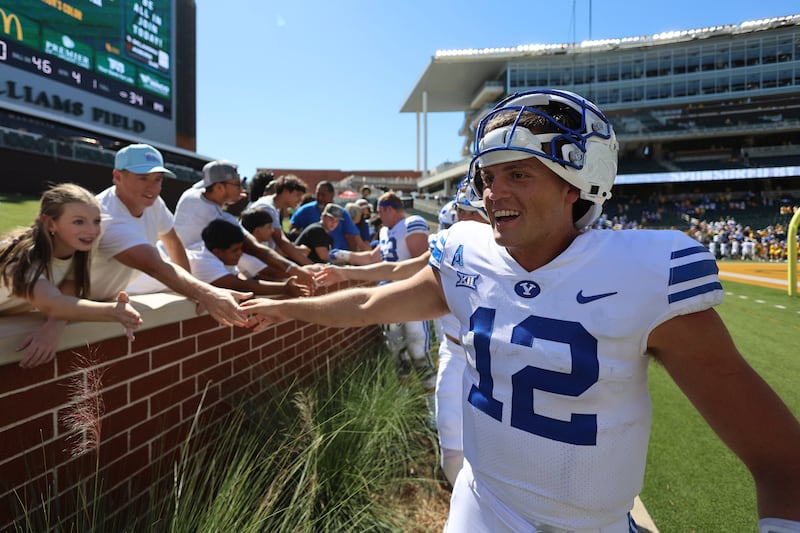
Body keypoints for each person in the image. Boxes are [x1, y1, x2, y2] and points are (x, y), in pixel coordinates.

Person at [240, 89, 800, 532]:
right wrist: (286, 311)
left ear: (578, 186)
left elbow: (780, 458)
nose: (492, 193)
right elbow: (366, 303)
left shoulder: (645, 275)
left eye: (518, 173)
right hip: (483, 509)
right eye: (487, 176)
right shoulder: (466, 254)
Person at [90, 144, 251, 327]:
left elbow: (173, 243)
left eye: (158, 179)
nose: (152, 187)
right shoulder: (106, 216)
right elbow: (154, 266)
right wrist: (205, 293)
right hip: (82, 301)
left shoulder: (153, 202)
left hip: (110, 295)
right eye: (143, 178)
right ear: (118, 177)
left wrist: (191, 292)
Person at [0, 183, 142, 368]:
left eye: (96, 221)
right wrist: (113, 311)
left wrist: (54, 326)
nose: (92, 231)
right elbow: (54, 303)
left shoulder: (74, 251)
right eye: (78, 222)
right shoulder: (22, 259)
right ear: (51, 223)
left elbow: (68, 293)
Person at [329, 191, 434, 385]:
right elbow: (371, 258)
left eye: (380, 211)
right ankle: (406, 398)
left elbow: (421, 265)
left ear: (389, 209)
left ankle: (432, 407)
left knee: (417, 348)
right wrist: (344, 256)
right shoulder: (386, 231)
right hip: (390, 295)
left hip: (411, 295)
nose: (378, 216)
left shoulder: (412, 223)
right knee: (396, 349)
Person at [171, 160, 315, 285]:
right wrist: (293, 269)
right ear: (219, 187)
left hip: (181, 268)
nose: (242, 189)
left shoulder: (189, 195)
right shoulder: (222, 219)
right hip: (200, 274)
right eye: (237, 185)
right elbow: (258, 249)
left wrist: (226, 197)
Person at [190, 219, 309, 298]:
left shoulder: (219, 254)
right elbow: (240, 285)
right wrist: (284, 288)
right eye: (235, 250)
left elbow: (239, 278)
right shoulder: (203, 262)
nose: (240, 254)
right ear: (217, 252)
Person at [248, 174, 312, 262]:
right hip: (253, 259)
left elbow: (277, 245)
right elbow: (281, 242)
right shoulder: (267, 207)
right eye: (297, 195)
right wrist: (309, 264)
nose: (300, 199)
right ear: (285, 191)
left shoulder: (273, 207)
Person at [290, 181, 368, 251]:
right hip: (314, 257)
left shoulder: (342, 213)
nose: (320, 197)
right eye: (318, 194)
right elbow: (293, 229)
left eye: (323, 195)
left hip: (338, 257)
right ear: (323, 216)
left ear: (332, 194)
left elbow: (350, 236)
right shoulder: (305, 210)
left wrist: (352, 258)